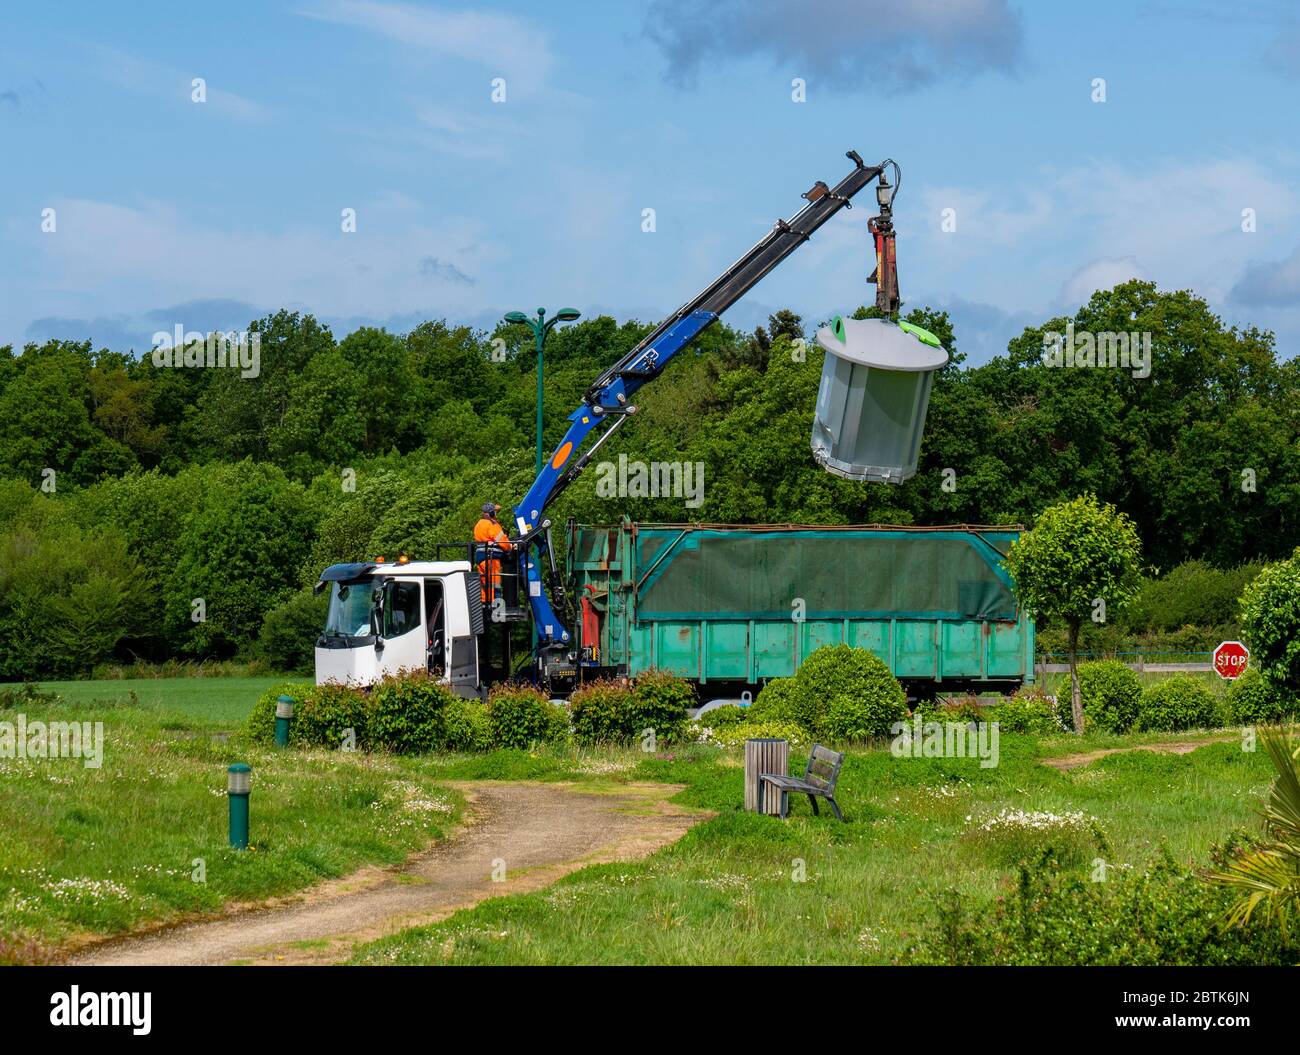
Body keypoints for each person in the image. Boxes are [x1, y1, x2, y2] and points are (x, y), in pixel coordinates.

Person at [473, 502, 513, 605]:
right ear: (490, 513)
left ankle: (485, 606)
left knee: (484, 583)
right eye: (495, 512)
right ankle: (497, 609)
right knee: (495, 582)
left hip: (480, 557)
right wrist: (510, 547)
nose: (496, 514)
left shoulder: (478, 524)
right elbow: (502, 541)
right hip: (491, 558)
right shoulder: (493, 524)